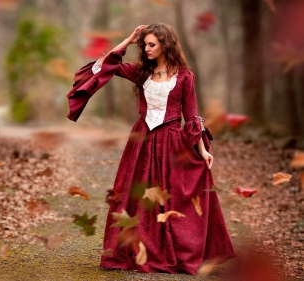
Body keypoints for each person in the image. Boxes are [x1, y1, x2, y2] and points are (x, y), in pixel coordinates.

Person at [66, 23, 236, 275]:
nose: (145, 49)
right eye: (144, 44)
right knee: (136, 196)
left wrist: (203, 149)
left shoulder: (184, 77)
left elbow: (191, 116)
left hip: (171, 140)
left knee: (173, 195)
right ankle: (134, 251)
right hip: (142, 139)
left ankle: (173, 252)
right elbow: (104, 65)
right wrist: (129, 38)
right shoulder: (140, 72)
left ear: (165, 45)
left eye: (151, 44)